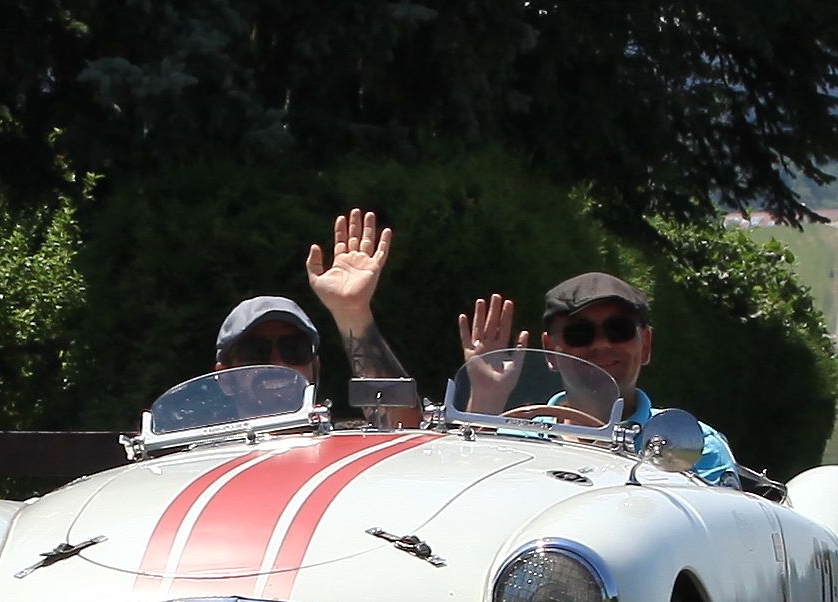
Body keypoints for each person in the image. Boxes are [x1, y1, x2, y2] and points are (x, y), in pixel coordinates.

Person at [457, 272, 739, 486]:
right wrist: (485, 398)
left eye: (619, 330)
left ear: (646, 345)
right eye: (579, 333)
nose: (602, 345)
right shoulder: (514, 437)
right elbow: (464, 498)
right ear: (549, 351)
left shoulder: (694, 446)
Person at [212, 207, 413, 384]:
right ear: (224, 379)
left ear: (315, 368)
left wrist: (352, 312)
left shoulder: (333, 428)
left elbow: (401, 422)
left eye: (294, 349)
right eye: (254, 353)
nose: (278, 363)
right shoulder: (191, 428)